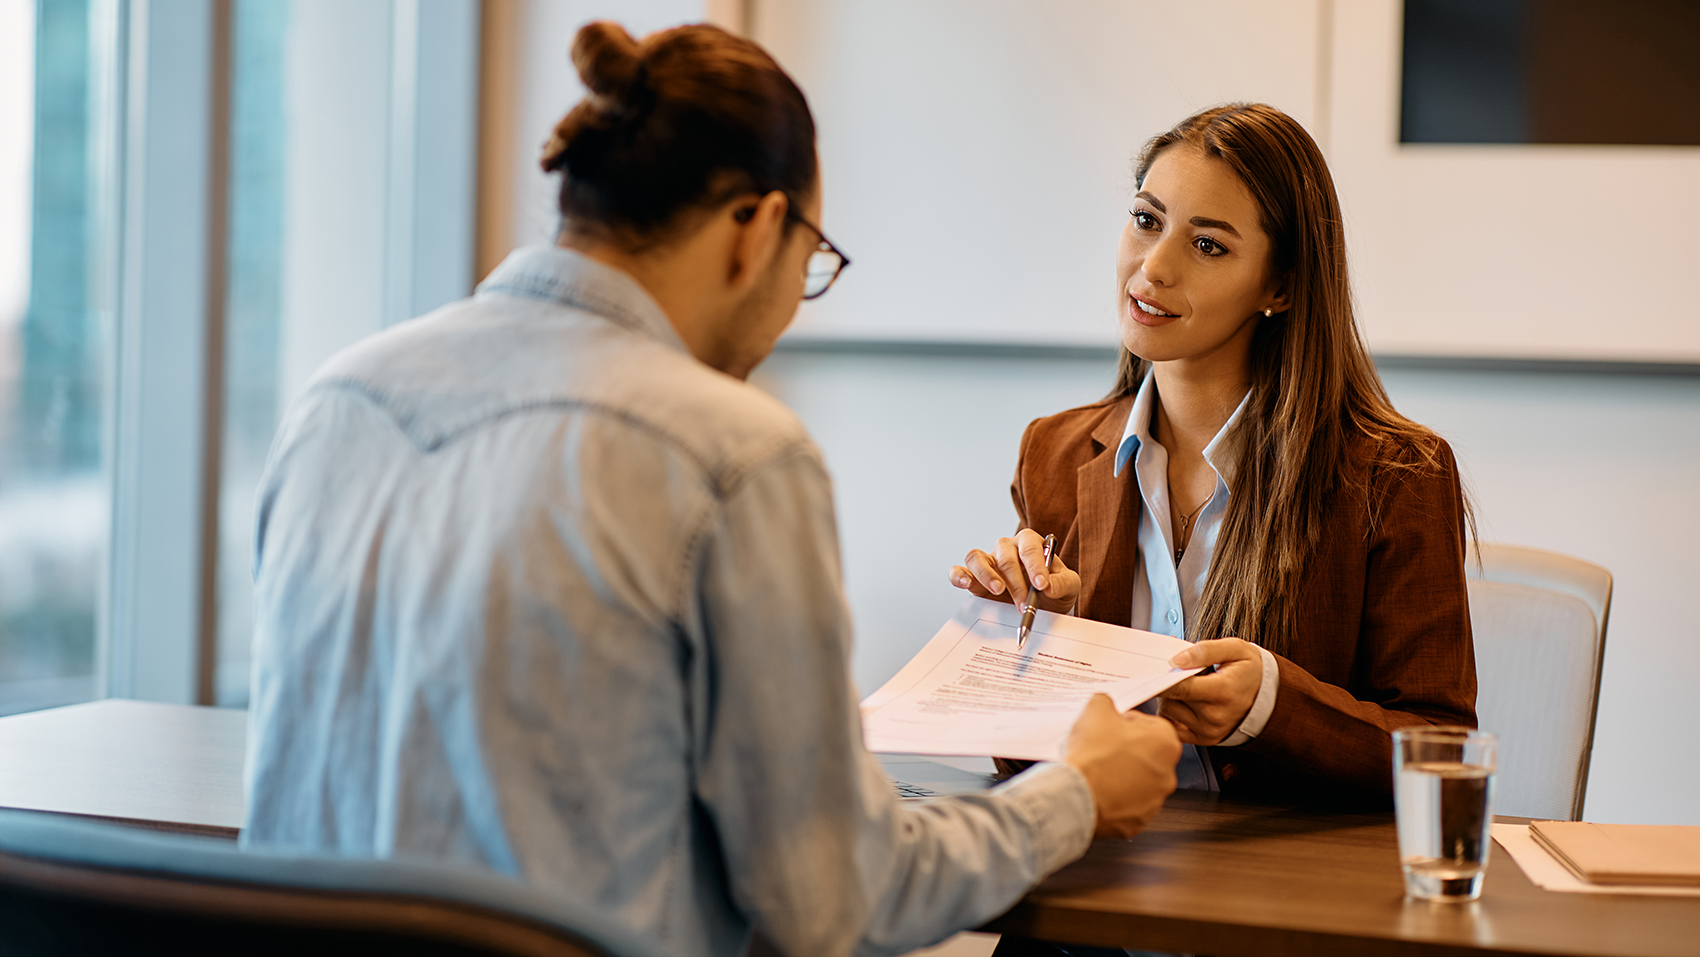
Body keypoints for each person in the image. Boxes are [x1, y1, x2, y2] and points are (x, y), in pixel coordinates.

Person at [241, 21, 1182, 957]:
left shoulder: (338, 401)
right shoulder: (732, 453)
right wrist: (1078, 794)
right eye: (811, 260)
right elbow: (835, 899)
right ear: (758, 227)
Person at [951, 103, 1475, 806]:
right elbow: (1024, 769)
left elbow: (1441, 754)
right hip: (1097, 873)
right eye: (1146, 220)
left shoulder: (1394, 474)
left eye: (1208, 246)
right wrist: (1034, 645)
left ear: (1281, 286)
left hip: (1279, 894)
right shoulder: (1053, 450)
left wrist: (1273, 709)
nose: (1154, 267)